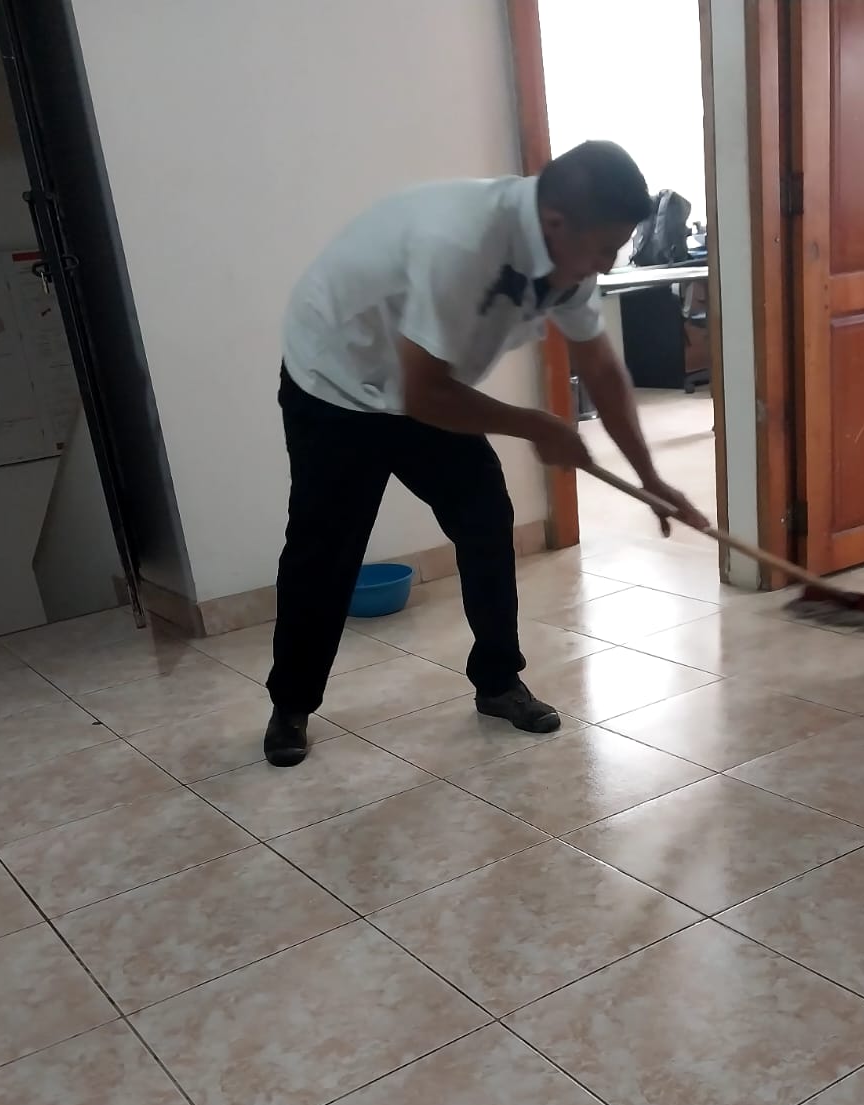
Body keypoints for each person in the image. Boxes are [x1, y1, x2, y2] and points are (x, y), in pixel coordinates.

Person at [265, 140, 709, 766]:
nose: (607, 265)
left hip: (419, 386)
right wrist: (536, 425)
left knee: (485, 519)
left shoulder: (569, 256)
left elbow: (601, 369)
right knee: (324, 547)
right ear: (556, 223)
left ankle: (498, 682)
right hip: (336, 383)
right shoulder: (461, 243)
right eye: (604, 249)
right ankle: (290, 704)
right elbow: (424, 393)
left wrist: (650, 478)